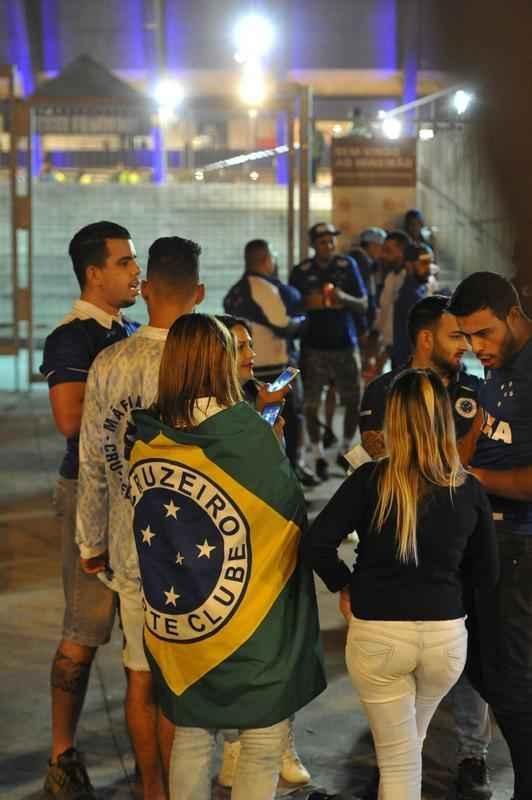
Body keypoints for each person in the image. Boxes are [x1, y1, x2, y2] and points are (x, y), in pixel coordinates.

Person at [128, 314, 326, 800]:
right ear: (220, 362)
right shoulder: (247, 436)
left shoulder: (145, 437)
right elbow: (287, 517)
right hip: (251, 621)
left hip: (184, 625)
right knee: (261, 739)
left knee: (192, 736)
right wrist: (273, 447)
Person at [303, 369, 499, 800]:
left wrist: (345, 585)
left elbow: (317, 544)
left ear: (393, 421)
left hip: (380, 636)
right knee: (411, 745)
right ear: (445, 420)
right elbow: (486, 575)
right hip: (445, 640)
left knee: (398, 761)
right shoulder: (468, 491)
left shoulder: (370, 481)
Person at [75, 236, 205, 799]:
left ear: (147, 288)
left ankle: (151, 788)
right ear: (199, 293)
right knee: (185, 681)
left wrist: (90, 541)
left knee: (139, 675)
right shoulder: (208, 358)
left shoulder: (110, 360)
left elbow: (92, 459)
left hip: (132, 548)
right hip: (198, 553)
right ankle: (182, 788)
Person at [359, 295, 493, 799]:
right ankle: (394, 756)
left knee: (466, 654)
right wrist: (463, 449)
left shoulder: (477, 391)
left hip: (457, 546)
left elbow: (445, 470)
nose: (467, 346)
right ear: (425, 338)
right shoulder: (383, 390)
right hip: (393, 550)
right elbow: (384, 460)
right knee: (393, 672)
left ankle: (471, 756)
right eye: (456, 336)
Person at [39, 221, 141, 800]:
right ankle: (62, 754)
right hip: (89, 497)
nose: (135, 271)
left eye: (136, 261)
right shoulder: (74, 336)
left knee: (143, 632)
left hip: (134, 494)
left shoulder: (128, 330)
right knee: (83, 632)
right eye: (124, 262)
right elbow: (70, 420)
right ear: (93, 272)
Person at [214, 314, 312, 788]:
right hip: (232, 547)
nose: (251, 353)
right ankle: (234, 747)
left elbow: (276, 473)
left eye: (251, 343)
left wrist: (271, 420)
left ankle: (281, 740)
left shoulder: (258, 401)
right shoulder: (206, 413)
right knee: (237, 649)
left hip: (271, 540)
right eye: (240, 346)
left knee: (278, 645)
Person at [448, 272, 532, 800]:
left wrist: (475, 481)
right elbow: (478, 440)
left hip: (522, 545)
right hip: (488, 544)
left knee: (510, 676)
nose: (476, 348)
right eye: (466, 337)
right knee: (475, 663)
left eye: (484, 333)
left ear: (514, 316)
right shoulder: (494, 373)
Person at [223, 239, 316, 487]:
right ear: (266, 260)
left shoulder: (235, 291)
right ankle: (290, 475)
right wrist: (304, 320)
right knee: (288, 422)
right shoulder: (264, 288)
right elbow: (283, 325)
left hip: (248, 370)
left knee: (261, 423)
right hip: (276, 370)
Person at [289, 222, 368, 480]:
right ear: (313, 245)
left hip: (345, 344)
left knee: (354, 400)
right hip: (313, 347)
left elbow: (364, 304)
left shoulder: (348, 266)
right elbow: (290, 310)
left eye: (332, 240)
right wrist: (306, 305)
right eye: (323, 241)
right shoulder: (301, 272)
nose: (329, 245)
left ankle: (346, 447)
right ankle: (318, 454)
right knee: (310, 405)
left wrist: (343, 298)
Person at [374, 230, 411, 372]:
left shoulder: (411, 282)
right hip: (393, 348)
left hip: (408, 351)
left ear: (402, 252)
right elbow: (385, 313)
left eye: (388, 250)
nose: (382, 255)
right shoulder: (390, 277)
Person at [392, 244, 433, 367]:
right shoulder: (410, 294)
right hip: (410, 368)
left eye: (430, 262)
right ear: (409, 266)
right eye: (424, 263)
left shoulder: (420, 289)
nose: (429, 268)